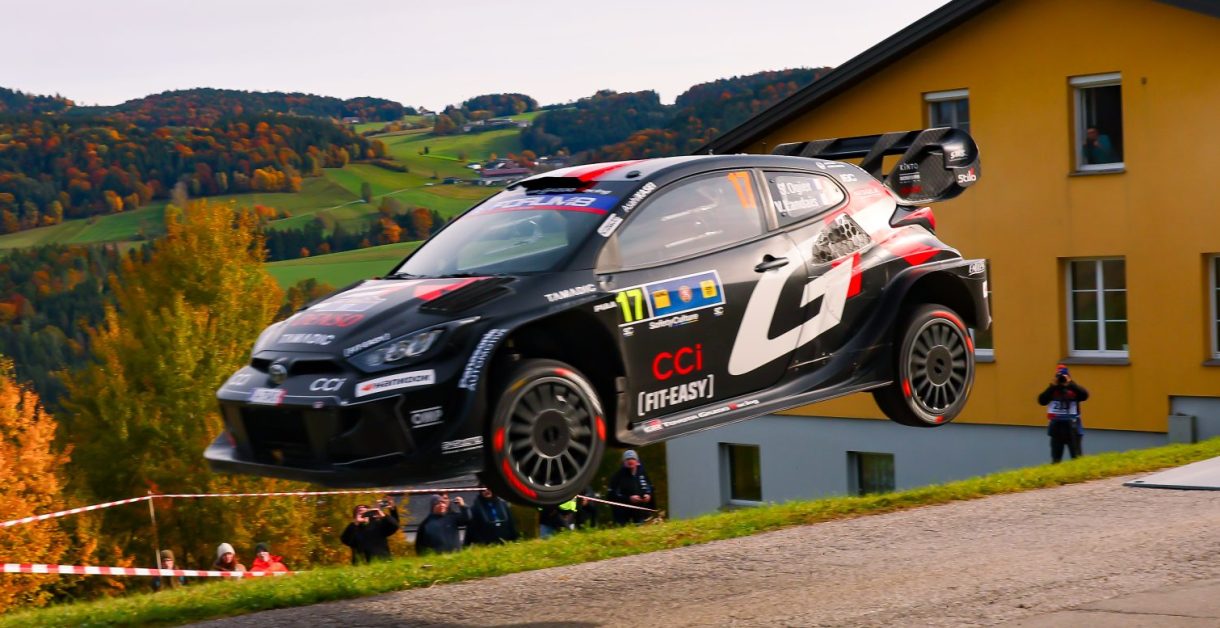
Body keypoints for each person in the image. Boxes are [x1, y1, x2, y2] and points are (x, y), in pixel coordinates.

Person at [1038, 364, 1089, 463]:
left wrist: (1071, 384)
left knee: (1077, 458)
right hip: (1056, 428)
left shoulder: (1073, 389)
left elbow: (1084, 395)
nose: (1062, 380)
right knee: (1056, 459)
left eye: (1063, 377)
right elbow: (1041, 401)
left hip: (1073, 427)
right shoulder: (1053, 390)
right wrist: (1052, 386)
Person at [606, 449, 655, 525]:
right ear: (624, 462)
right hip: (623, 517)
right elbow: (611, 496)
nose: (630, 461)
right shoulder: (618, 476)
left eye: (632, 458)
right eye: (627, 459)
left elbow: (650, 487)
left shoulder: (642, 473)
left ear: (637, 461)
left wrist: (648, 495)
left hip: (641, 514)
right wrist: (629, 499)